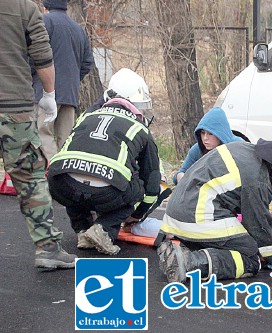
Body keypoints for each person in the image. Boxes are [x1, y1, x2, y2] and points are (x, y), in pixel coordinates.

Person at [157, 139, 272, 283]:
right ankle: (189, 262)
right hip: (197, 217)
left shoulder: (244, 149)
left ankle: (185, 253)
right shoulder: (258, 179)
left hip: (179, 212)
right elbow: (259, 227)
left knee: (236, 241)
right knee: (250, 257)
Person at [47, 68, 161, 256]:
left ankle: (83, 229)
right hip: (107, 190)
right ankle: (103, 230)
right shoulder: (139, 128)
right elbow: (152, 184)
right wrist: (136, 214)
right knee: (136, 185)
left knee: (73, 181)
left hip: (59, 182)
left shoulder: (86, 116)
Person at [0, 0, 76, 269]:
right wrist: (49, 95)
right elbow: (43, 56)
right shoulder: (25, 9)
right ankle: (47, 249)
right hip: (14, 108)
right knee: (30, 175)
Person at [32, 0, 94, 161]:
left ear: (45, 7)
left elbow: (33, 54)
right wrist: (73, 80)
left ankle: (52, 170)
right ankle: (65, 175)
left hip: (45, 92)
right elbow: (88, 63)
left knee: (42, 133)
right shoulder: (78, 29)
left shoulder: (43, 22)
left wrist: (32, 78)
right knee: (65, 139)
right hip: (70, 96)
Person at [172, 107, 244, 185]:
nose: (205, 138)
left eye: (210, 133)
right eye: (203, 133)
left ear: (221, 134)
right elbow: (180, 174)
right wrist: (182, 179)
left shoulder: (238, 147)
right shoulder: (197, 149)